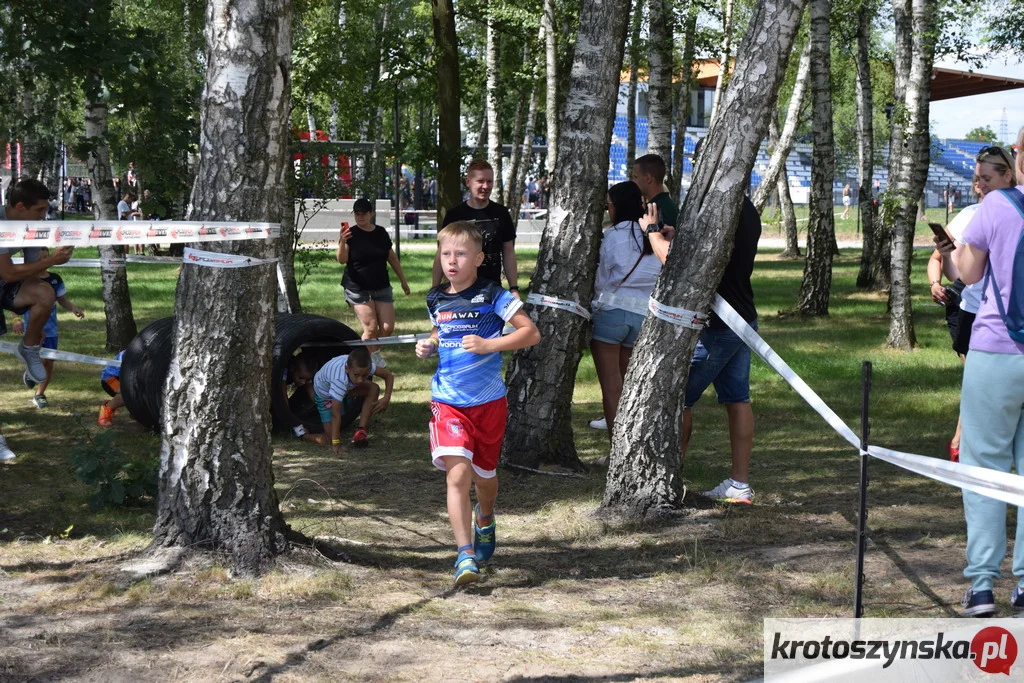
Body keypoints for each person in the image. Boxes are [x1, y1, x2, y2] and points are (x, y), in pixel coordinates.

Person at [416, 221, 540, 585]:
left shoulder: (493, 295)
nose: (452, 261)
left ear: (480, 258)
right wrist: (429, 345)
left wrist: (489, 345)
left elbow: (530, 333)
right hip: (448, 400)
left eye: (461, 254)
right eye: (446, 253)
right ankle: (464, 555)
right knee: (458, 474)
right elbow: (439, 332)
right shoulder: (435, 298)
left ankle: (485, 518)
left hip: (488, 403)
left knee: (485, 477)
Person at [643, 184, 762, 504]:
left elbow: (682, 266)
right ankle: (739, 483)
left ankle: (667, 480)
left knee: (678, 397)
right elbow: (718, 252)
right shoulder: (746, 209)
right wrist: (679, 233)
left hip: (718, 326)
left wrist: (653, 232)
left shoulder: (720, 213)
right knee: (737, 399)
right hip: (742, 319)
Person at [951, 130, 1024, 617]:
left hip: (999, 349)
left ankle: (982, 584)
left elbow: (970, 272)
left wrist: (955, 253)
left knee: (983, 467)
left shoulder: (998, 206)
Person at [930, 147, 1016, 461]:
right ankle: (962, 443)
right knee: (977, 387)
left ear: (1009, 173)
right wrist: (947, 256)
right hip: (975, 314)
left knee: (991, 395)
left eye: (986, 178)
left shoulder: (1003, 210)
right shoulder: (972, 214)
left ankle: (968, 445)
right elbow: (963, 274)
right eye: (976, 179)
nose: (979, 185)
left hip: (1006, 322)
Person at [588, 182, 661, 442]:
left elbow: (600, 279)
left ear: (615, 206)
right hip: (643, 316)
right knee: (630, 387)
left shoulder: (611, 236)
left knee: (611, 387)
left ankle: (617, 448)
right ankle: (633, 444)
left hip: (610, 314)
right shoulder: (654, 236)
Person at [0, 179, 76, 384]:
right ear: (20, 207)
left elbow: (33, 273)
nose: (44, 215)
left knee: (45, 292)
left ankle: (29, 347)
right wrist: (53, 259)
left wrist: (36, 321)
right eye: (39, 210)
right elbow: (7, 272)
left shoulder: (33, 225)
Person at [337, 197, 412, 368]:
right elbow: (342, 260)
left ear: (372, 214)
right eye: (357, 214)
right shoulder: (350, 234)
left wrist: (403, 281)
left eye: (364, 213)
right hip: (357, 286)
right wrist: (342, 241)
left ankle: (369, 354)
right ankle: (366, 362)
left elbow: (391, 257)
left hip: (381, 285)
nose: (360, 217)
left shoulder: (380, 233)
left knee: (387, 327)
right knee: (371, 327)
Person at [433, 159, 520, 296]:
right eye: (480, 181)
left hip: (492, 289)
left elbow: (508, 252)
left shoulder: (501, 213)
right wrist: (435, 289)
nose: (485, 186)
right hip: (460, 291)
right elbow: (441, 253)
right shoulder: (454, 215)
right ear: (468, 182)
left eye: (489, 181)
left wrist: (514, 288)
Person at [13, 272, 85, 408]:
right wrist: (16, 319)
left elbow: (62, 299)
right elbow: (14, 302)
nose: (43, 261)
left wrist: (73, 308)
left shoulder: (55, 279)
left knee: (49, 363)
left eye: (45, 257)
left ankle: (39, 394)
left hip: (51, 330)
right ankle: (31, 371)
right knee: (40, 359)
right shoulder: (26, 278)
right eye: (39, 258)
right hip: (33, 329)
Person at [312, 347, 393, 452]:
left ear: (369, 369)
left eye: (365, 375)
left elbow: (389, 376)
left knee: (374, 388)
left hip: (345, 387)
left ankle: (360, 432)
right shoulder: (339, 380)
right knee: (329, 439)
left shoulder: (363, 366)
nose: (360, 380)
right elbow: (335, 415)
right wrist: (336, 444)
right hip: (325, 395)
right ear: (347, 368)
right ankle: (303, 435)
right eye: (356, 375)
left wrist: (386, 398)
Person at [632, 153, 678, 230]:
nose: (633, 181)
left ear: (648, 178)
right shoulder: (664, 205)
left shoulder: (659, 210)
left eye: (636, 177)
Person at [98, 351, 126, 427]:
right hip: (110, 378)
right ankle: (106, 411)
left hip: (122, 377)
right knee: (126, 394)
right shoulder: (130, 352)